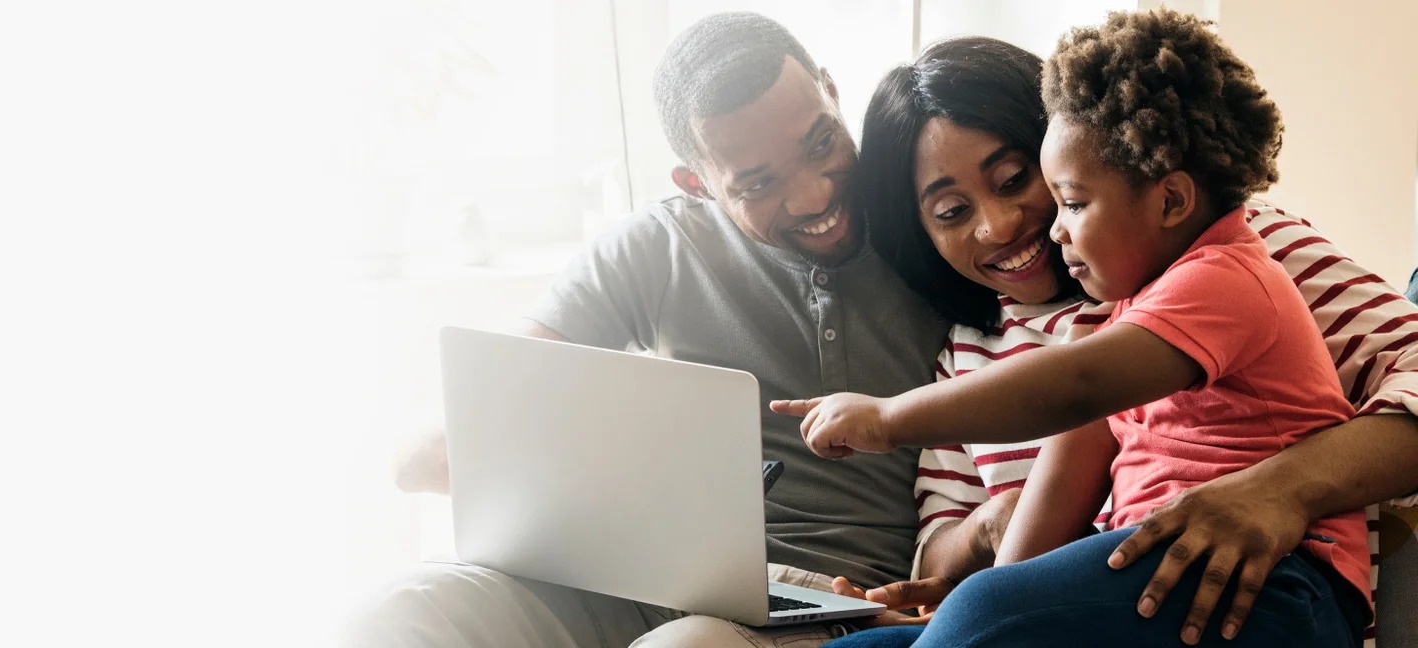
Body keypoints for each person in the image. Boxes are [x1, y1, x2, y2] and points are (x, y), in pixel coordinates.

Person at [809, 16, 1418, 648]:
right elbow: (1061, 462)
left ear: (1166, 195)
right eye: (951, 212)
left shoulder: (1230, 262)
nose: (1009, 226)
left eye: (1026, 183)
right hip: (1131, 590)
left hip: (1275, 589)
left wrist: (1280, 489)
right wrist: (998, 592)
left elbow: (1076, 386)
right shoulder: (1101, 312)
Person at [354, 12, 949, 647]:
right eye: (757, 183)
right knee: (403, 608)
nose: (811, 197)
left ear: (832, 91)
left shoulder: (941, 227)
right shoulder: (656, 246)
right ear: (696, 183)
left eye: (820, 144)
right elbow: (437, 445)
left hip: (825, 603)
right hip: (636, 584)